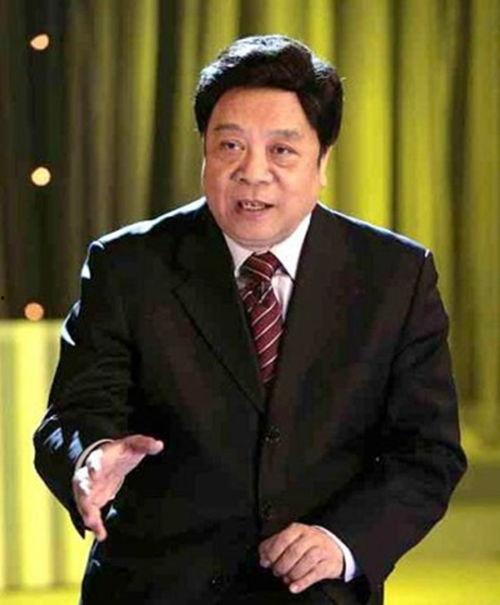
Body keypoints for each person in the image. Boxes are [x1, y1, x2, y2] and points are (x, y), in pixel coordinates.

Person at [33, 34, 467, 605]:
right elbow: (73, 413)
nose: (252, 173)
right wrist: (89, 459)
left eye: (281, 150)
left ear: (322, 160)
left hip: (313, 592)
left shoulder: (395, 276)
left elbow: (428, 452)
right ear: (204, 152)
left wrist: (342, 542)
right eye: (230, 146)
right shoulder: (127, 265)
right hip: (155, 587)